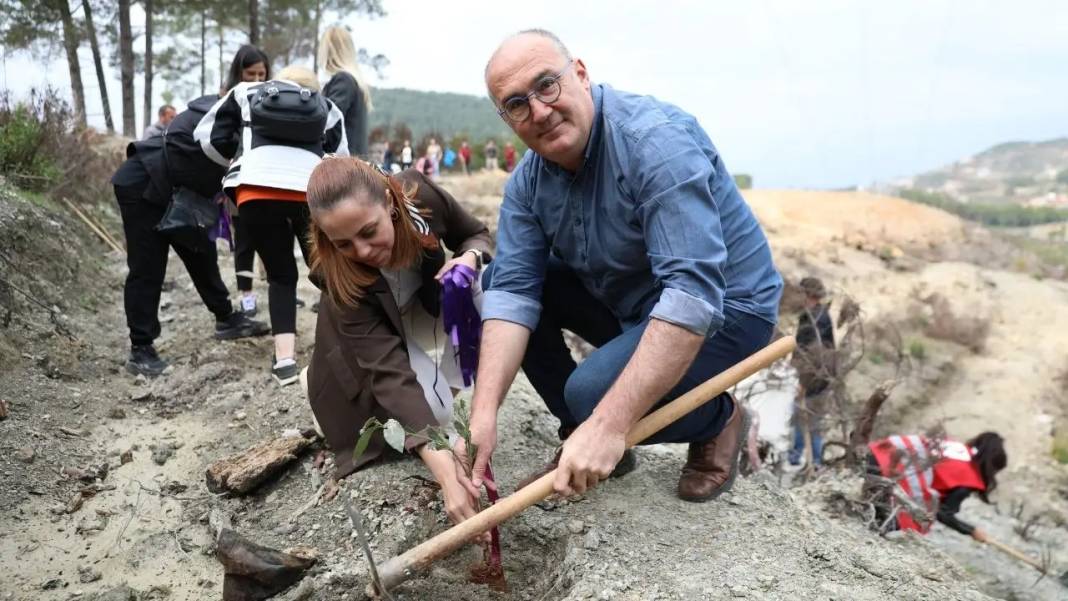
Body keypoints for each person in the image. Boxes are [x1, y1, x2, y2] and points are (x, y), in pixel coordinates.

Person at [454, 30, 783, 504]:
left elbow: (692, 296)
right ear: (506, 119)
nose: (540, 111)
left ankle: (720, 418)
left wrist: (609, 422)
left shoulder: (653, 143)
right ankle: (582, 438)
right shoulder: (528, 182)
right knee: (497, 281)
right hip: (633, 304)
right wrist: (484, 413)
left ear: (581, 75)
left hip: (727, 310)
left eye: (548, 85)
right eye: (517, 104)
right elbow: (513, 294)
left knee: (589, 394)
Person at [304, 157, 493, 525]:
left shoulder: (420, 198)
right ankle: (318, 383)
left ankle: (439, 390)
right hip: (373, 347)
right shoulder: (336, 274)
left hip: (420, 309)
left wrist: (468, 258)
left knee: (492, 284)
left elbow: (476, 234)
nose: (361, 251)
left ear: (390, 204)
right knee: (432, 420)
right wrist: (443, 469)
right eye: (344, 243)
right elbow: (388, 371)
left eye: (369, 231)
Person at [195, 65, 348, 386]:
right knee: (328, 272)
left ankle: (285, 363)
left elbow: (206, 137)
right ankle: (346, 351)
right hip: (309, 191)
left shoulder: (245, 92)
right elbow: (341, 157)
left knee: (280, 275)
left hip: (255, 190)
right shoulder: (326, 106)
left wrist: (238, 163)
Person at [112, 96, 270, 376]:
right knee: (148, 267)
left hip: (178, 191)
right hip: (142, 183)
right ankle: (141, 349)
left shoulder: (245, 130)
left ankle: (225, 318)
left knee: (200, 251)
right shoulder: (218, 118)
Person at [866, 432, 1007, 542]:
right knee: (900, 527)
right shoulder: (969, 476)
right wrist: (971, 531)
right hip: (886, 470)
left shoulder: (955, 448)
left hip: (873, 452)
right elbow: (942, 513)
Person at [222, 45, 271, 317]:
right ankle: (246, 295)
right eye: (250, 74)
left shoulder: (274, 99)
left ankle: (278, 287)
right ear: (238, 73)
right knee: (244, 241)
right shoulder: (228, 100)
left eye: (261, 74)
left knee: (274, 237)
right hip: (240, 182)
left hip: (270, 180)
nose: (256, 81)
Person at [787, 276, 835, 467]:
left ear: (808, 295)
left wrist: (803, 382)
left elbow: (814, 355)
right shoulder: (815, 315)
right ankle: (801, 458)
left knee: (809, 421)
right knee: (803, 417)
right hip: (817, 378)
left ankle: (812, 463)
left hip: (815, 380)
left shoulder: (816, 319)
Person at [319, 26, 373, 157]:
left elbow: (329, 122)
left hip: (344, 169)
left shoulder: (343, 80)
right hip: (354, 165)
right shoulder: (354, 81)